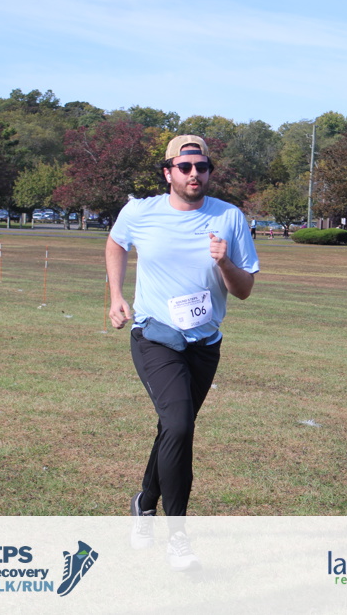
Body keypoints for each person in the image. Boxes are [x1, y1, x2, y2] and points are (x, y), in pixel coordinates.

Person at [106, 135, 259, 571]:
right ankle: (178, 538)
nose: (195, 174)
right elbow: (116, 243)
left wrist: (224, 262)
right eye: (186, 167)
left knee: (172, 429)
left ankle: (144, 502)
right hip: (155, 337)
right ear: (168, 172)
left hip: (204, 345)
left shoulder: (229, 217)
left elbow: (245, 290)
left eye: (202, 167)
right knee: (179, 425)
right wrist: (116, 295)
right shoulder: (141, 212)